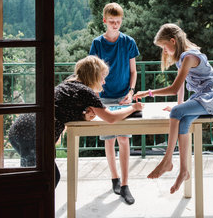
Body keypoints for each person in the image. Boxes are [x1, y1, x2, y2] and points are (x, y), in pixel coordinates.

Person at [8, 55, 143, 191]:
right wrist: (133, 108)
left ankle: (33, 209)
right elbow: (110, 118)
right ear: (93, 75)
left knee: (39, 179)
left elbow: (63, 108)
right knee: (45, 180)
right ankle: (33, 210)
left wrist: (83, 116)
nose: (103, 82)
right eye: (102, 77)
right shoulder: (85, 91)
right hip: (32, 134)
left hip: (23, 129)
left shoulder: (70, 82)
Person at [133, 23, 213, 194]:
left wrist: (148, 92)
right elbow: (181, 87)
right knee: (182, 119)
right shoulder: (182, 58)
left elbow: (174, 88)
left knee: (177, 113)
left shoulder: (189, 57)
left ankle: (167, 160)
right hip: (201, 97)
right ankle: (184, 170)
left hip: (212, 96)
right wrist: (179, 104)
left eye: (164, 47)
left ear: (173, 41)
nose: (164, 51)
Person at [89, 2, 140, 204]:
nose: (115, 25)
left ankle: (126, 184)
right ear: (104, 21)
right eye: (112, 22)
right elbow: (92, 73)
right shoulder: (97, 43)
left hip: (123, 97)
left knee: (124, 139)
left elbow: (133, 71)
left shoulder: (129, 42)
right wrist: (95, 97)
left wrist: (131, 92)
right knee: (109, 140)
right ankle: (114, 179)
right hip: (103, 96)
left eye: (118, 22)